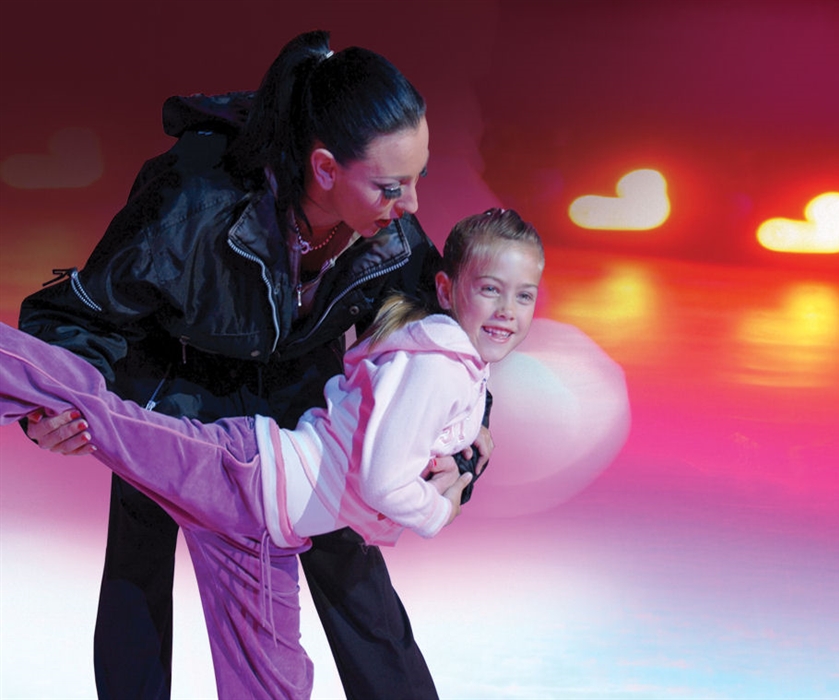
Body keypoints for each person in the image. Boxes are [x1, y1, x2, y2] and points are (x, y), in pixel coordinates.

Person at [17, 30, 492, 700]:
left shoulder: (390, 230)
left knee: (354, 573)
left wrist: (470, 445)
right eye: (392, 184)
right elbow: (71, 314)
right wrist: (48, 412)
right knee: (138, 563)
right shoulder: (192, 200)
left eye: (419, 177)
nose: (412, 204)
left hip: (302, 401)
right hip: (172, 391)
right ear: (325, 167)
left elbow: (442, 342)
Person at [1, 208, 543, 700]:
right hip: (244, 467)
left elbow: (443, 397)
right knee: (105, 420)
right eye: (493, 290)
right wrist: (436, 510)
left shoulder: (436, 323)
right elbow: (385, 477)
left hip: (271, 527)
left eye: (525, 295)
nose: (405, 198)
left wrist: (469, 453)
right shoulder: (439, 361)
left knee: (276, 683)